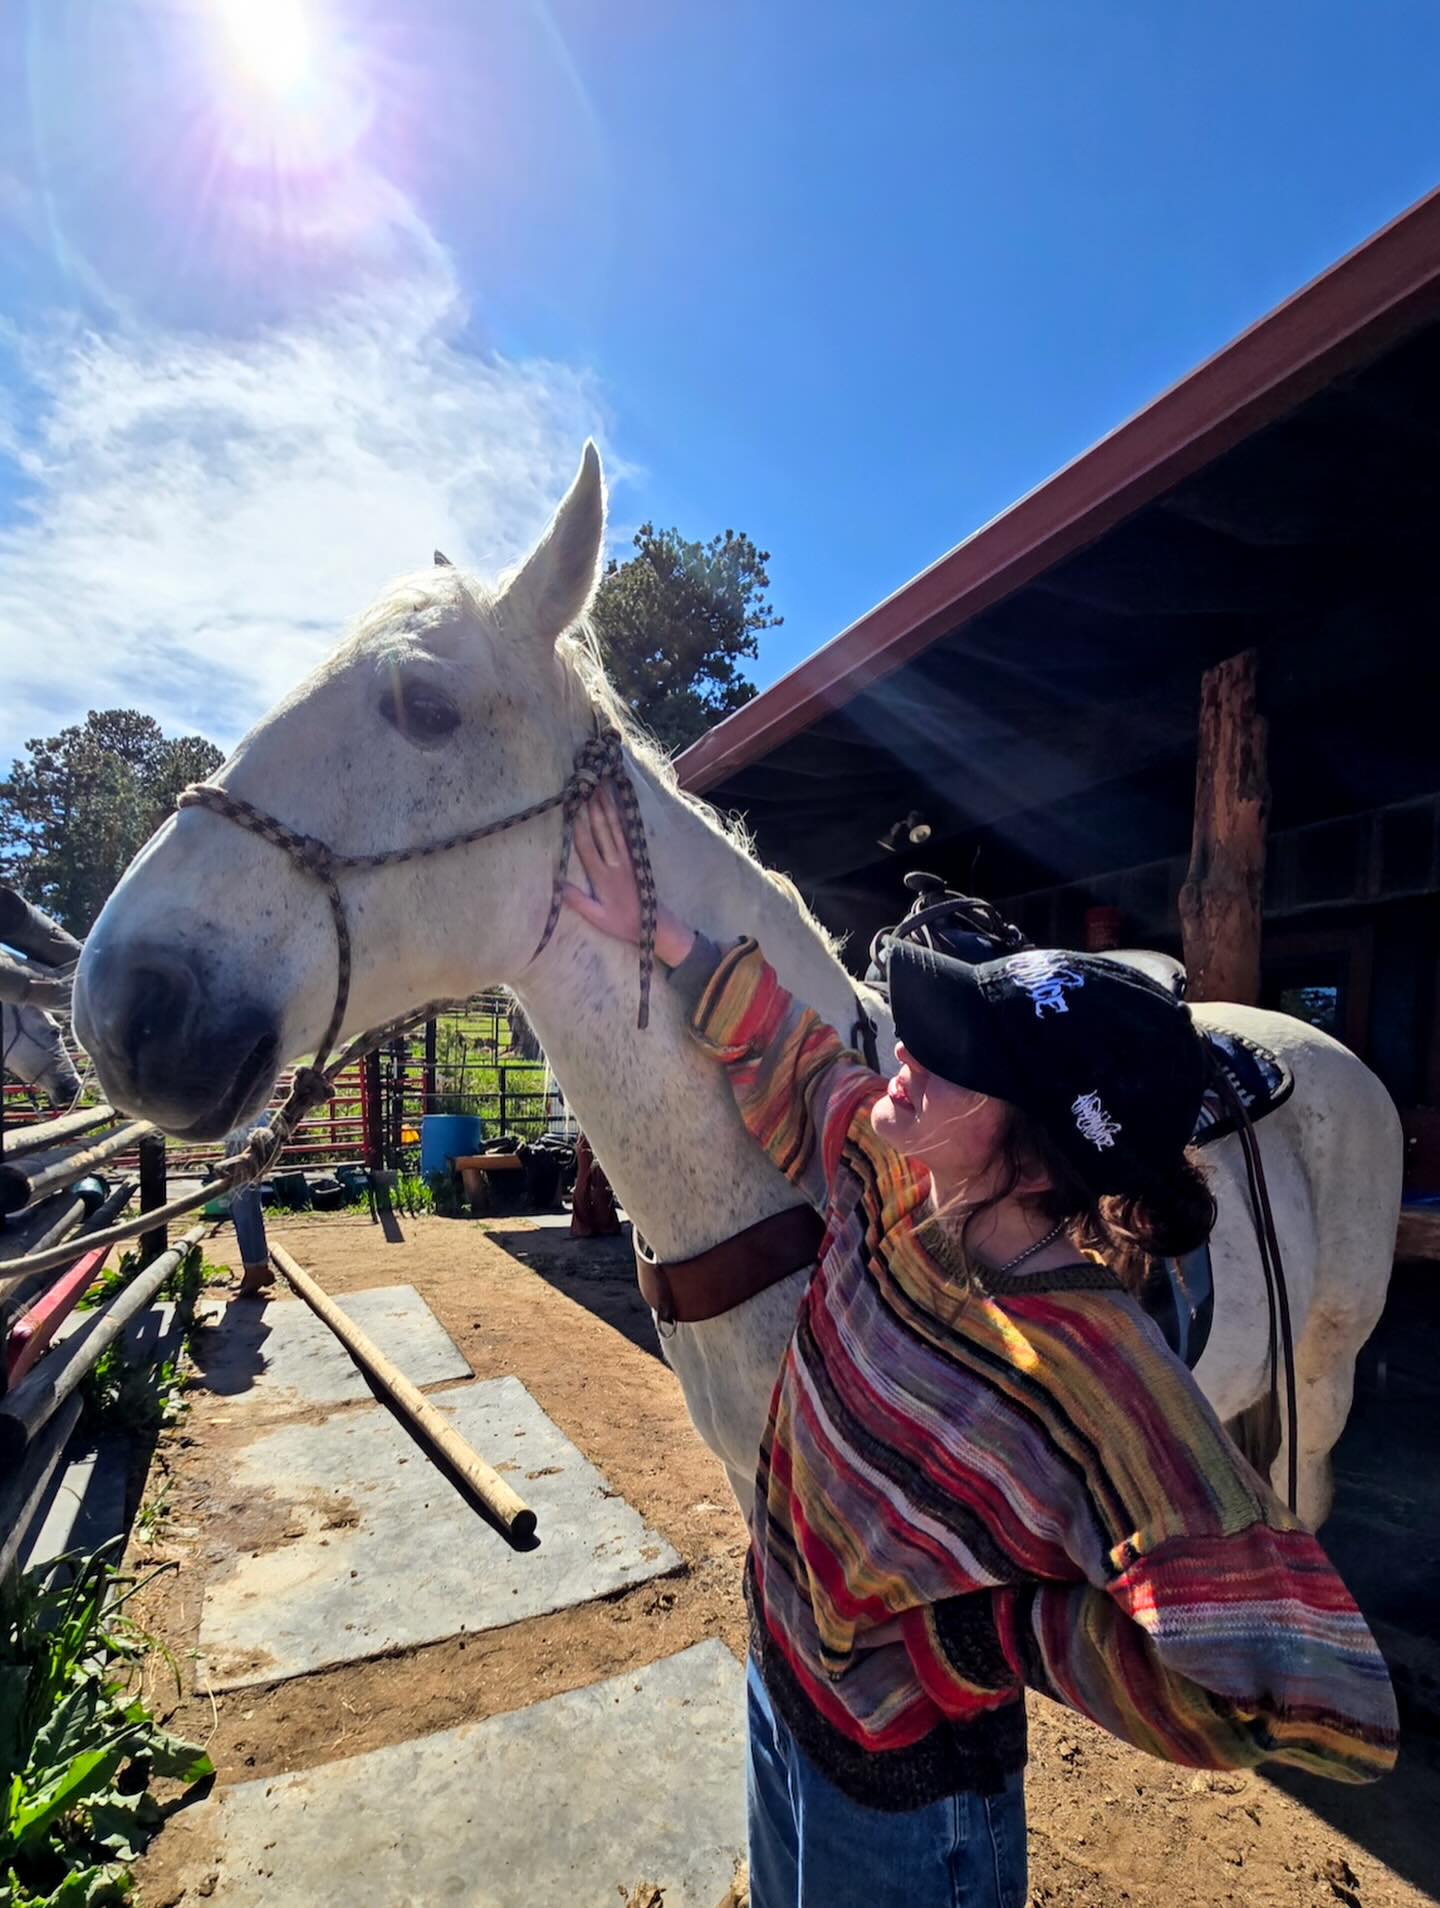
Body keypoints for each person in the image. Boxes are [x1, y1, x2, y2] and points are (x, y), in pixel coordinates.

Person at [561, 786, 1397, 1908]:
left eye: (952, 1053)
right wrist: (662, 932)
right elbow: (803, 1066)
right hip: (784, 1683)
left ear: (1034, 1150)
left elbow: (1296, 1692)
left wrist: (977, 1637)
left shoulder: (1097, 1376)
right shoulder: (894, 1181)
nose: (906, 1050)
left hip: (909, 1808)